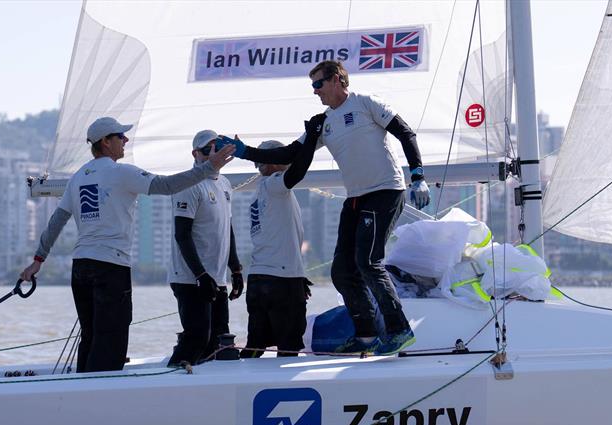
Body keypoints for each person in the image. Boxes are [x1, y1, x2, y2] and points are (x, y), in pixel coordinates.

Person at [218, 60, 430, 356]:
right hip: (356, 197)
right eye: (312, 86)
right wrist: (245, 152)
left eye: (318, 84)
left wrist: (418, 176)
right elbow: (291, 152)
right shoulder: (322, 122)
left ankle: (398, 329)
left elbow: (405, 133)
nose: (315, 91)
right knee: (342, 271)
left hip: (385, 191)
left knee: (368, 262)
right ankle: (366, 336)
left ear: (337, 80)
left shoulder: (365, 103)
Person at [20, 117, 235, 373]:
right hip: (110, 268)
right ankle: (100, 398)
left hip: (81, 268)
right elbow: (166, 186)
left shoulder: (78, 177)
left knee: (90, 336)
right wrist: (208, 167)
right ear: (106, 142)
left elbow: (57, 220)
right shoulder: (122, 172)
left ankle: (82, 393)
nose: (125, 140)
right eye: (120, 136)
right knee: (111, 338)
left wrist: (38, 260)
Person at [240, 113, 325, 358]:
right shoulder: (275, 184)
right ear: (270, 164)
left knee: (255, 344)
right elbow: (298, 171)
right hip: (281, 280)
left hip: (260, 278)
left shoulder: (259, 194)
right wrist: (311, 138)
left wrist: (299, 275)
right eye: (281, 158)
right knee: (288, 347)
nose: (286, 161)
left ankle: (244, 385)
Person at [166, 130, 244, 368]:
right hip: (191, 277)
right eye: (206, 149)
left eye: (216, 147)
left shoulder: (224, 184)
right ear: (195, 154)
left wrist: (236, 269)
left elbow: (226, 228)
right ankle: (167, 383)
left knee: (218, 340)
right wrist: (200, 274)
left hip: (216, 277)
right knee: (197, 336)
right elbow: (182, 234)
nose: (213, 152)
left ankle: (203, 394)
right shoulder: (188, 183)